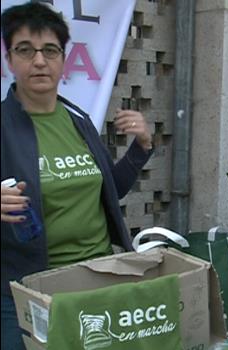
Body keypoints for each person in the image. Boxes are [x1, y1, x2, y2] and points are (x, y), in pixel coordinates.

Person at [1, 3, 153, 349]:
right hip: (27, 289)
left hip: (98, 277)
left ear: (63, 59)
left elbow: (108, 193)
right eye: (25, 50)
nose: (39, 61)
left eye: (50, 50)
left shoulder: (78, 119)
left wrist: (141, 147)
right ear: (10, 60)